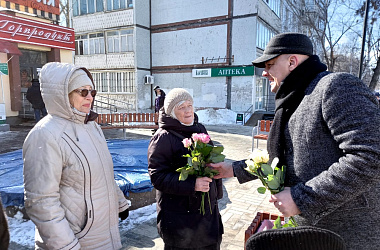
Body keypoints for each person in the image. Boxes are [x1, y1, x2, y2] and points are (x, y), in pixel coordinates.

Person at [210, 32, 380, 250]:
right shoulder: (295, 99)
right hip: (313, 234)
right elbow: (279, 159)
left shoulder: (335, 87)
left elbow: (371, 155)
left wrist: (301, 198)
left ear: (292, 62)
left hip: (348, 236)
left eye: (269, 64)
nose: (264, 73)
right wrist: (232, 169)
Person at [23, 62, 131, 249]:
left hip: (104, 233)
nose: (90, 97)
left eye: (92, 92)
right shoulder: (45, 134)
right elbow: (41, 202)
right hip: (76, 240)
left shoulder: (91, 126)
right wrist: (66, 245)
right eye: (83, 92)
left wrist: (120, 202)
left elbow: (104, 173)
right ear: (62, 94)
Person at [148, 88, 224, 250]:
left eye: (190, 105)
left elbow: (209, 161)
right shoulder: (163, 137)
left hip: (207, 219)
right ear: (172, 112)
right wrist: (192, 185)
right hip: (181, 223)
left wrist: (216, 191)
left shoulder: (200, 129)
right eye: (181, 107)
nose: (188, 110)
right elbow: (157, 177)